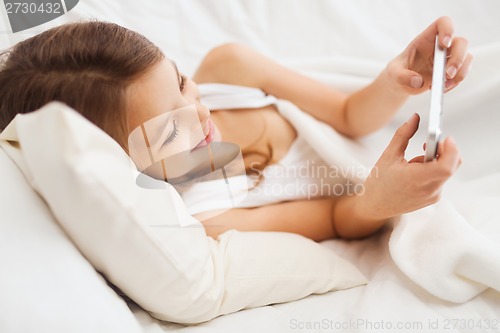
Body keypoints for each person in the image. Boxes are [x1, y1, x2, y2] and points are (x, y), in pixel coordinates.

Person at [0, 18, 471, 241]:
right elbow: (334, 217)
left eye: (181, 81)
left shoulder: (229, 71)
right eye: (169, 135)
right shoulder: (208, 215)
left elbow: (349, 115)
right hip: (378, 191)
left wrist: (398, 80)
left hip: (390, 132)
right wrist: (380, 201)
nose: (199, 114)